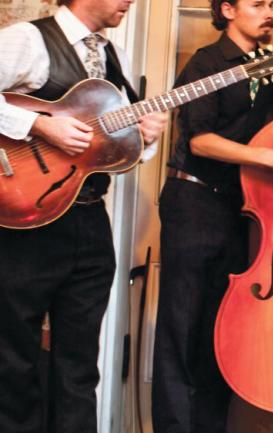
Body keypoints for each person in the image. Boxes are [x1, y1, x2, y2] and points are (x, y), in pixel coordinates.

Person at [150, 1, 273, 433]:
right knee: (181, 328)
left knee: (221, 332)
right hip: (192, 202)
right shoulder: (207, 63)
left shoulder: (271, 63)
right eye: (258, 4)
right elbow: (201, 142)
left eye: (272, 4)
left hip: (237, 207)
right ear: (228, 10)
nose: (269, 11)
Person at [0, 0, 167, 432]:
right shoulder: (29, 39)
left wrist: (145, 137)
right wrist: (38, 126)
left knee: (79, 364)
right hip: (24, 223)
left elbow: (114, 152)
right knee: (11, 357)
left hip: (90, 222)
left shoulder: (115, 56)